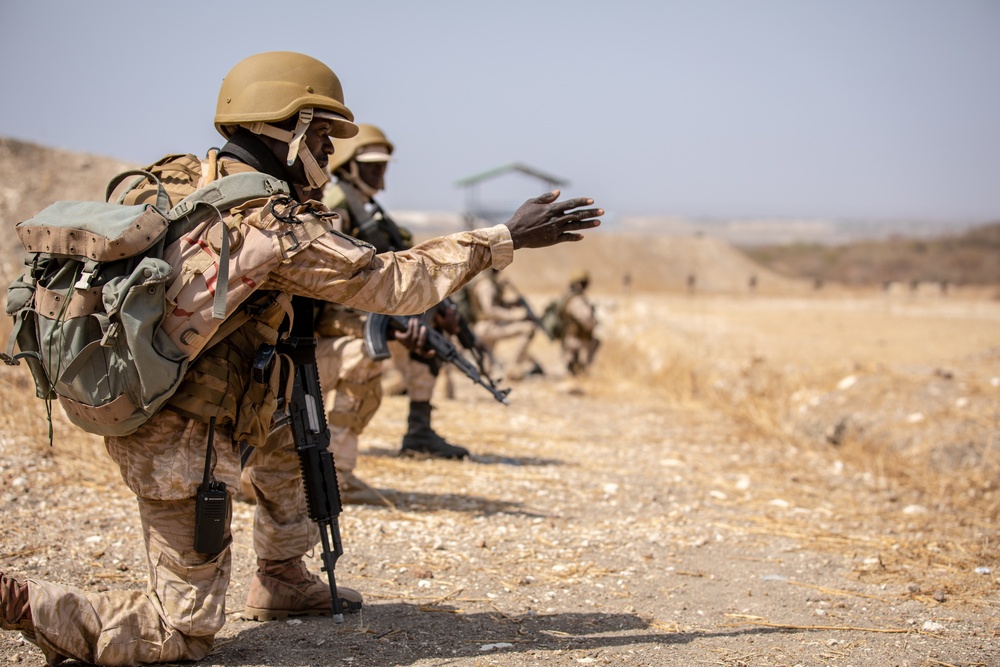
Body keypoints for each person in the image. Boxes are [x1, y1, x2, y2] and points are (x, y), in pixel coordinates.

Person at [0, 50, 601, 666]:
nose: (326, 150)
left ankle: (282, 576)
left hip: (186, 399)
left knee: (295, 425)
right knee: (179, 633)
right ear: (279, 130)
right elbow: (395, 283)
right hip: (182, 440)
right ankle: (25, 602)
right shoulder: (272, 223)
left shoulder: (180, 176)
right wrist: (504, 238)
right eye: (319, 134)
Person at [314, 124, 467, 508]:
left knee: (425, 346)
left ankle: (418, 429)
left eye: (383, 165)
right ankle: (335, 475)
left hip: (366, 324)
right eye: (370, 165)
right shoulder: (336, 205)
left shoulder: (370, 212)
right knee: (365, 359)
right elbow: (327, 287)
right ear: (349, 166)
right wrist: (372, 325)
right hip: (324, 334)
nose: (379, 173)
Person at [467, 268, 545, 380]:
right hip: (487, 327)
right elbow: (489, 310)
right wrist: (514, 316)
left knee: (486, 368)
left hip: (488, 326)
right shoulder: (486, 285)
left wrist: (512, 305)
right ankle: (514, 365)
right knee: (528, 328)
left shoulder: (487, 281)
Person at [557, 269, 600, 375]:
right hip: (576, 340)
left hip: (569, 339)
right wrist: (595, 323)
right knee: (595, 342)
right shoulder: (577, 300)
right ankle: (582, 368)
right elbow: (587, 321)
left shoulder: (568, 297)